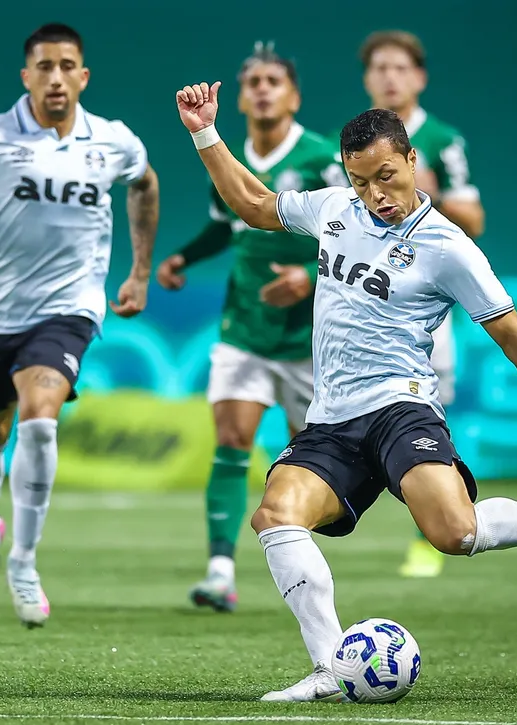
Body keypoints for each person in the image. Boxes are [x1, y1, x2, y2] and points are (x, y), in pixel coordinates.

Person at [175, 84, 517, 702]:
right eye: (361, 182)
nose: (374, 195)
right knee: (276, 516)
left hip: (400, 407)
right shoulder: (334, 209)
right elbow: (254, 204)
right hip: (331, 419)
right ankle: (329, 668)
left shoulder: (449, 249)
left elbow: (515, 338)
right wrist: (205, 133)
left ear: (413, 161)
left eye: (385, 176)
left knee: (454, 534)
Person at [0, 22, 159, 629]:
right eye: (44, 67)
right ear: (27, 76)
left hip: (68, 307)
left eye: (67, 65)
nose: (57, 77)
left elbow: (144, 182)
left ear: (83, 75)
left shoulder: (113, 140)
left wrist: (139, 271)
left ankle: (24, 560)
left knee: (40, 420)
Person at [156, 42, 346, 613]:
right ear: (240, 98)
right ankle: (219, 571)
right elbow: (224, 224)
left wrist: (310, 279)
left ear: (294, 96)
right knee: (232, 441)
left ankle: (301, 573)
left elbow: (355, 232)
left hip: (307, 338)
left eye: (273, 80)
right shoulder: (229, 158)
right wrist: (183, 259)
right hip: (245, 326)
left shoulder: (322, 159)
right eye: (253, 82)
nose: (262, 89)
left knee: (307, 457)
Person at [355, 30, 486, 578]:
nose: (390, 77)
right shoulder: (360, 143)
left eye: (400, 68)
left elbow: (475, 223)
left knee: (430, 415)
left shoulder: (441, 138)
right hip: (365, 300)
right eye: (380, 68)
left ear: (419, 77)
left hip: (420, 302)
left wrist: (432, 194)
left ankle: (428, 532)